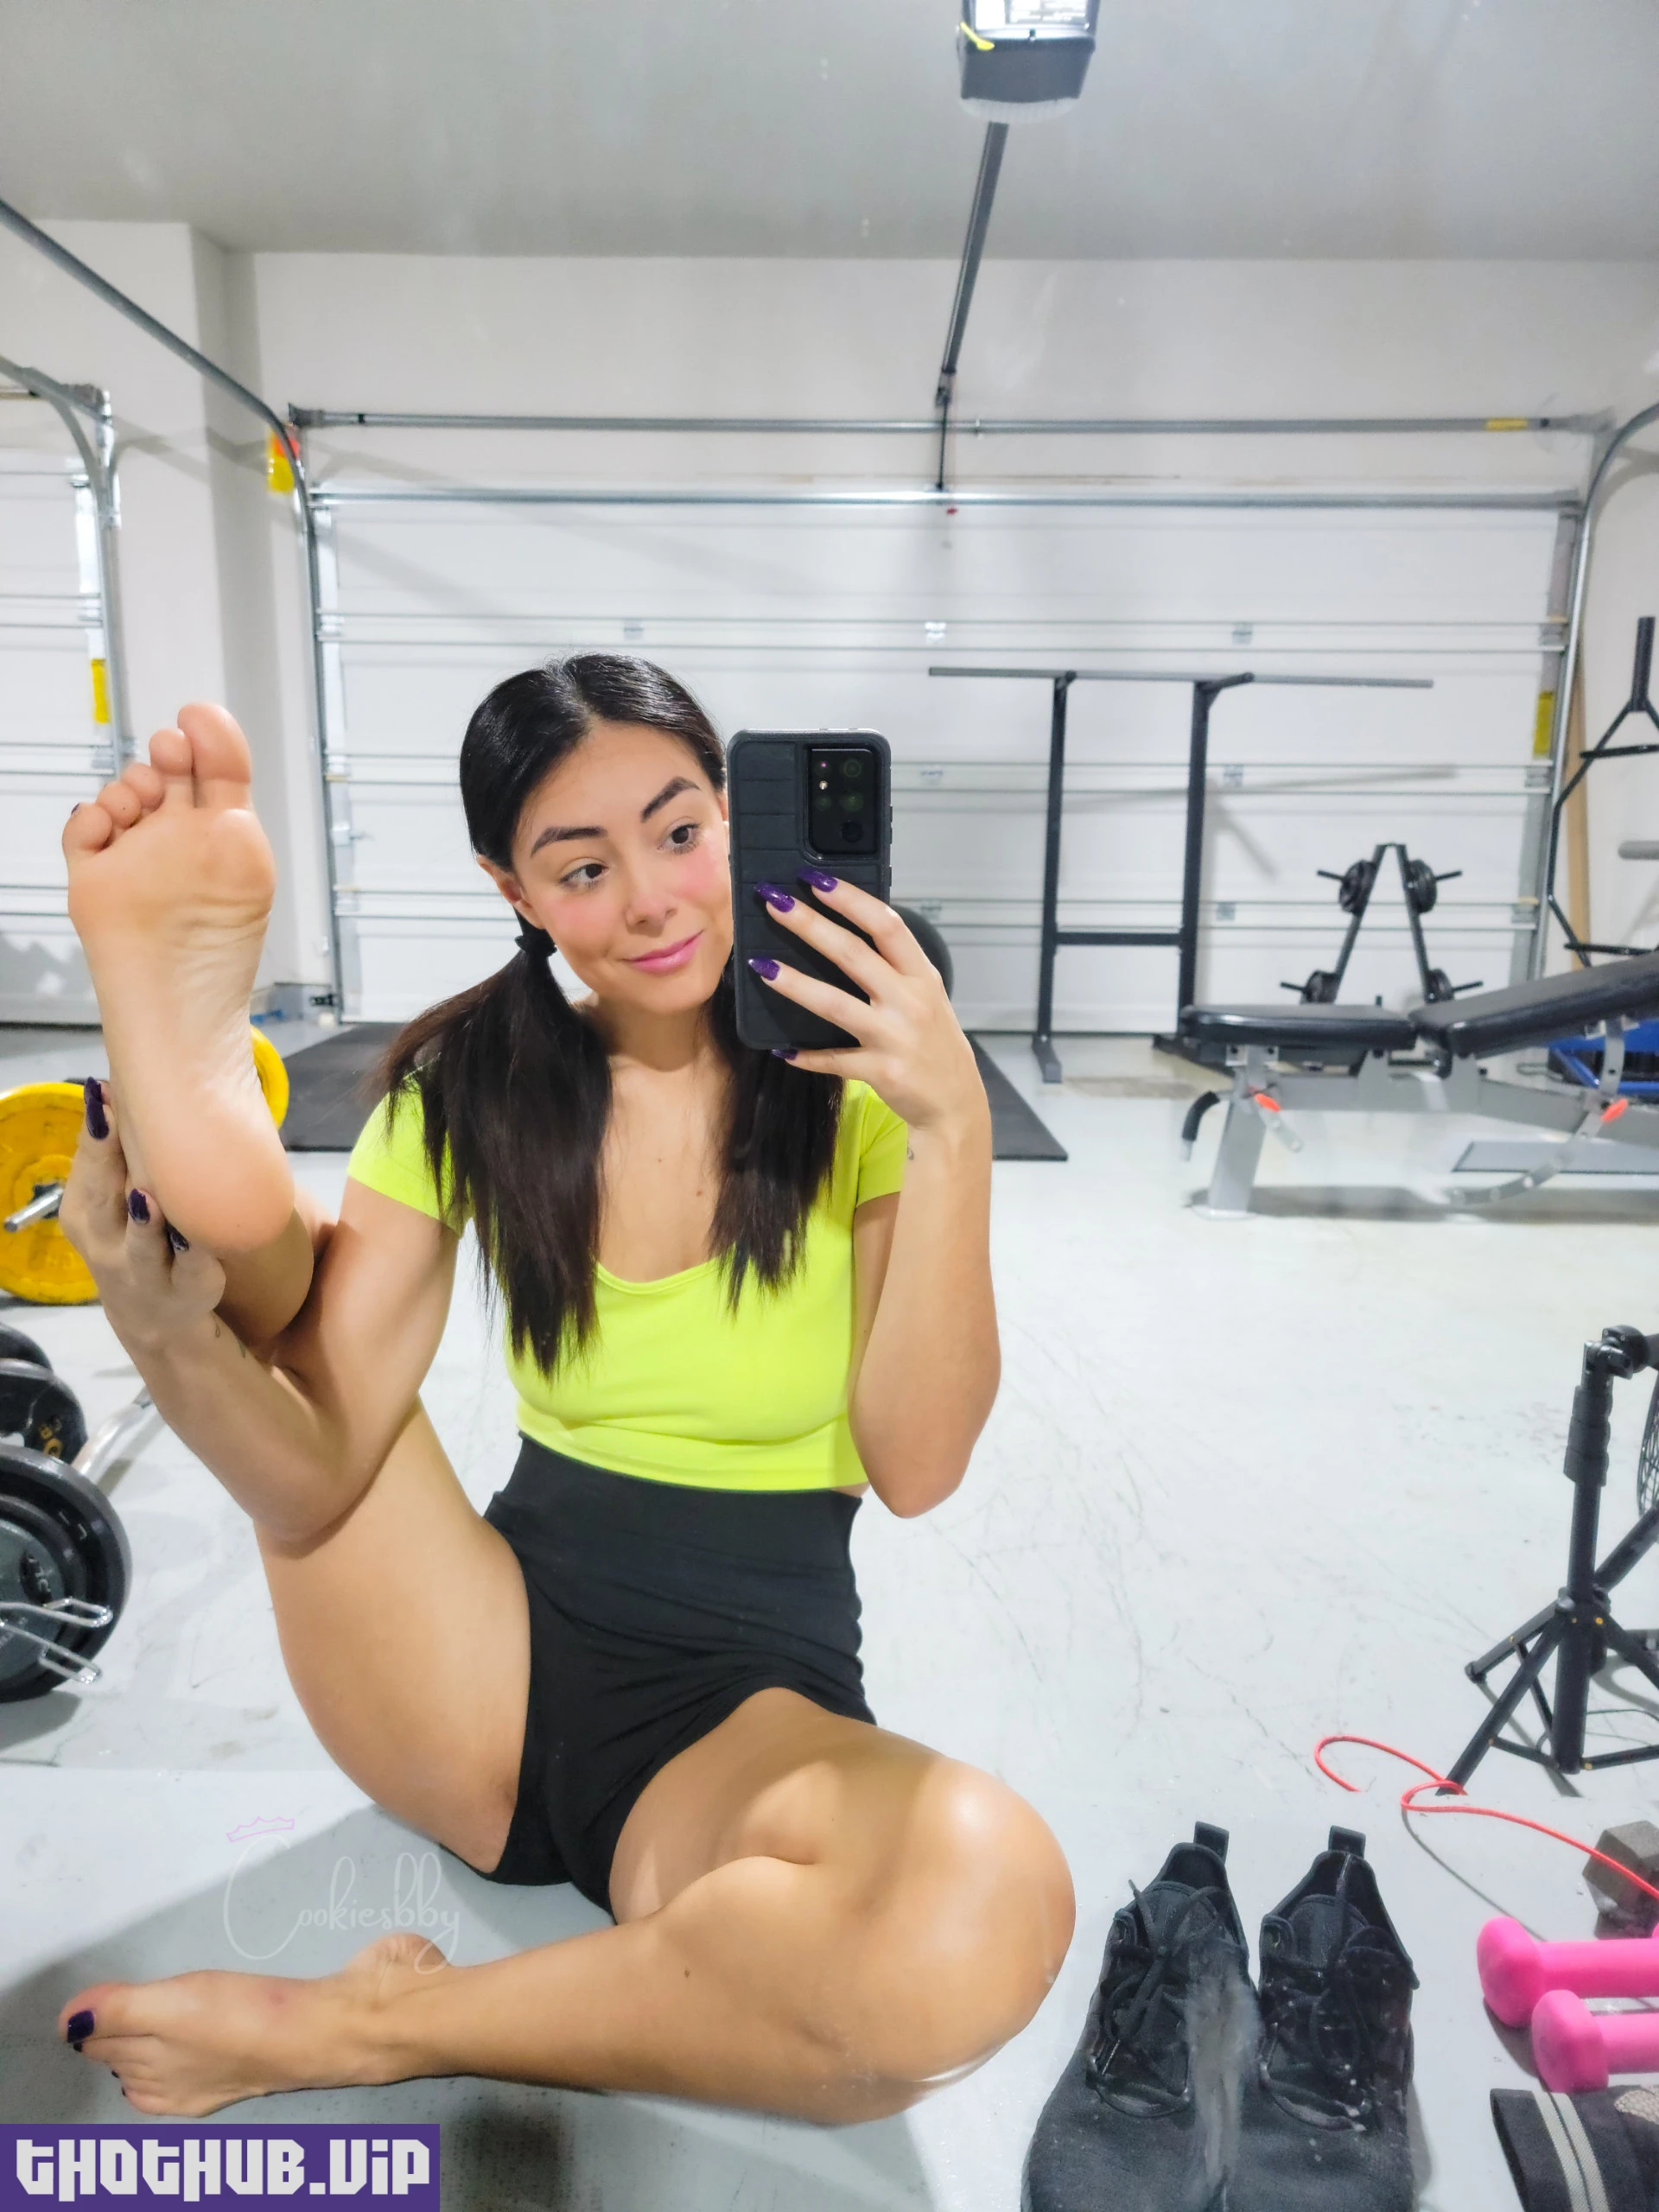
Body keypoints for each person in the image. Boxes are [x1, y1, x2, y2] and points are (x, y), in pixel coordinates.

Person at [52, 655, 1075, 2121]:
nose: (652, 903)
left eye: (680, 834)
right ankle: (194, 1089)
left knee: (977, 1908)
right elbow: (311, 1483)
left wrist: (951, 1121)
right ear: (513, 891)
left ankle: (380, 2027)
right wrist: (170, 1337)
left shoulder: (851, 1089)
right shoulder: (471, 1084)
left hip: (737, 1713)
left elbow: (916, 1465)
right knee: (290, 1322)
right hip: (469, 1665)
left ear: (734, 818)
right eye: (583, 868)